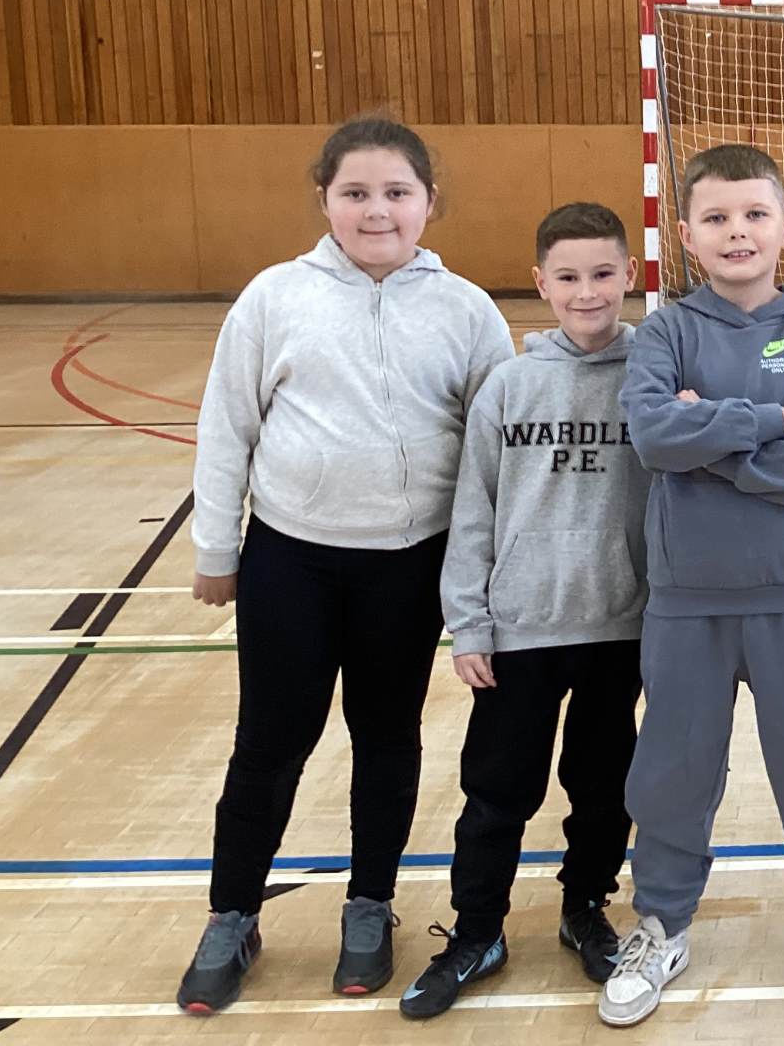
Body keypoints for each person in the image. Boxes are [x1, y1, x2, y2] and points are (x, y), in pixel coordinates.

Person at [178, 117, 514, 1015]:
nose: (377, 211)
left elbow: (495, 453)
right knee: (270, 742)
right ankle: (232, 913)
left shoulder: (467, 310)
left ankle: (370, 904)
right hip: (291, 559)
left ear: (428, 201)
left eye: (397, 192)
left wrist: (487, 573)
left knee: (386, 735)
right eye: (355, 193)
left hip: (408, 566)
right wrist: (217, 549)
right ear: (324, 199)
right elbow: (227, 428)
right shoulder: (275, 297)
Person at [601, 145, 784, 1027]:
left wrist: (711, 444)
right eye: (717, 217)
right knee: (673, 775)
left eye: (755, 214)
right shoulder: (665, 332)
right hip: (686, 600)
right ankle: (660, 925)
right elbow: (654, 438)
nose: (738, 232)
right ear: (686, 234)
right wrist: (769, 422)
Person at [400, 202, 651, 1019]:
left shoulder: (652, 376)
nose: (588, 292)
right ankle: (478, 930)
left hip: (620, 626)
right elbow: (472, 510)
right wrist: (469, 622)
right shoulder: (508, 385)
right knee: (498, 792)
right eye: (568, 277)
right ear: (541, 282)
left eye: (603, 274)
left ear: (631, 275)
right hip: (519, 631)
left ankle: (586, 907)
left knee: (604, 786)